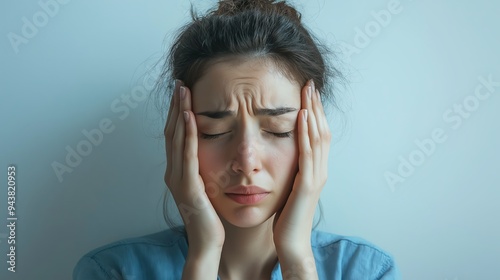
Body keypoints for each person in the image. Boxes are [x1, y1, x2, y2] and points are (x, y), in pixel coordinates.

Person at [73, 0, 401, 279]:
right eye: (214, 131)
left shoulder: (367, 271)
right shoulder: (113, 271)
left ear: (315, 138)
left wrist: (298, 260)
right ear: (178, 137)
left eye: (278, 129)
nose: (246, 161)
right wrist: (202, 256)